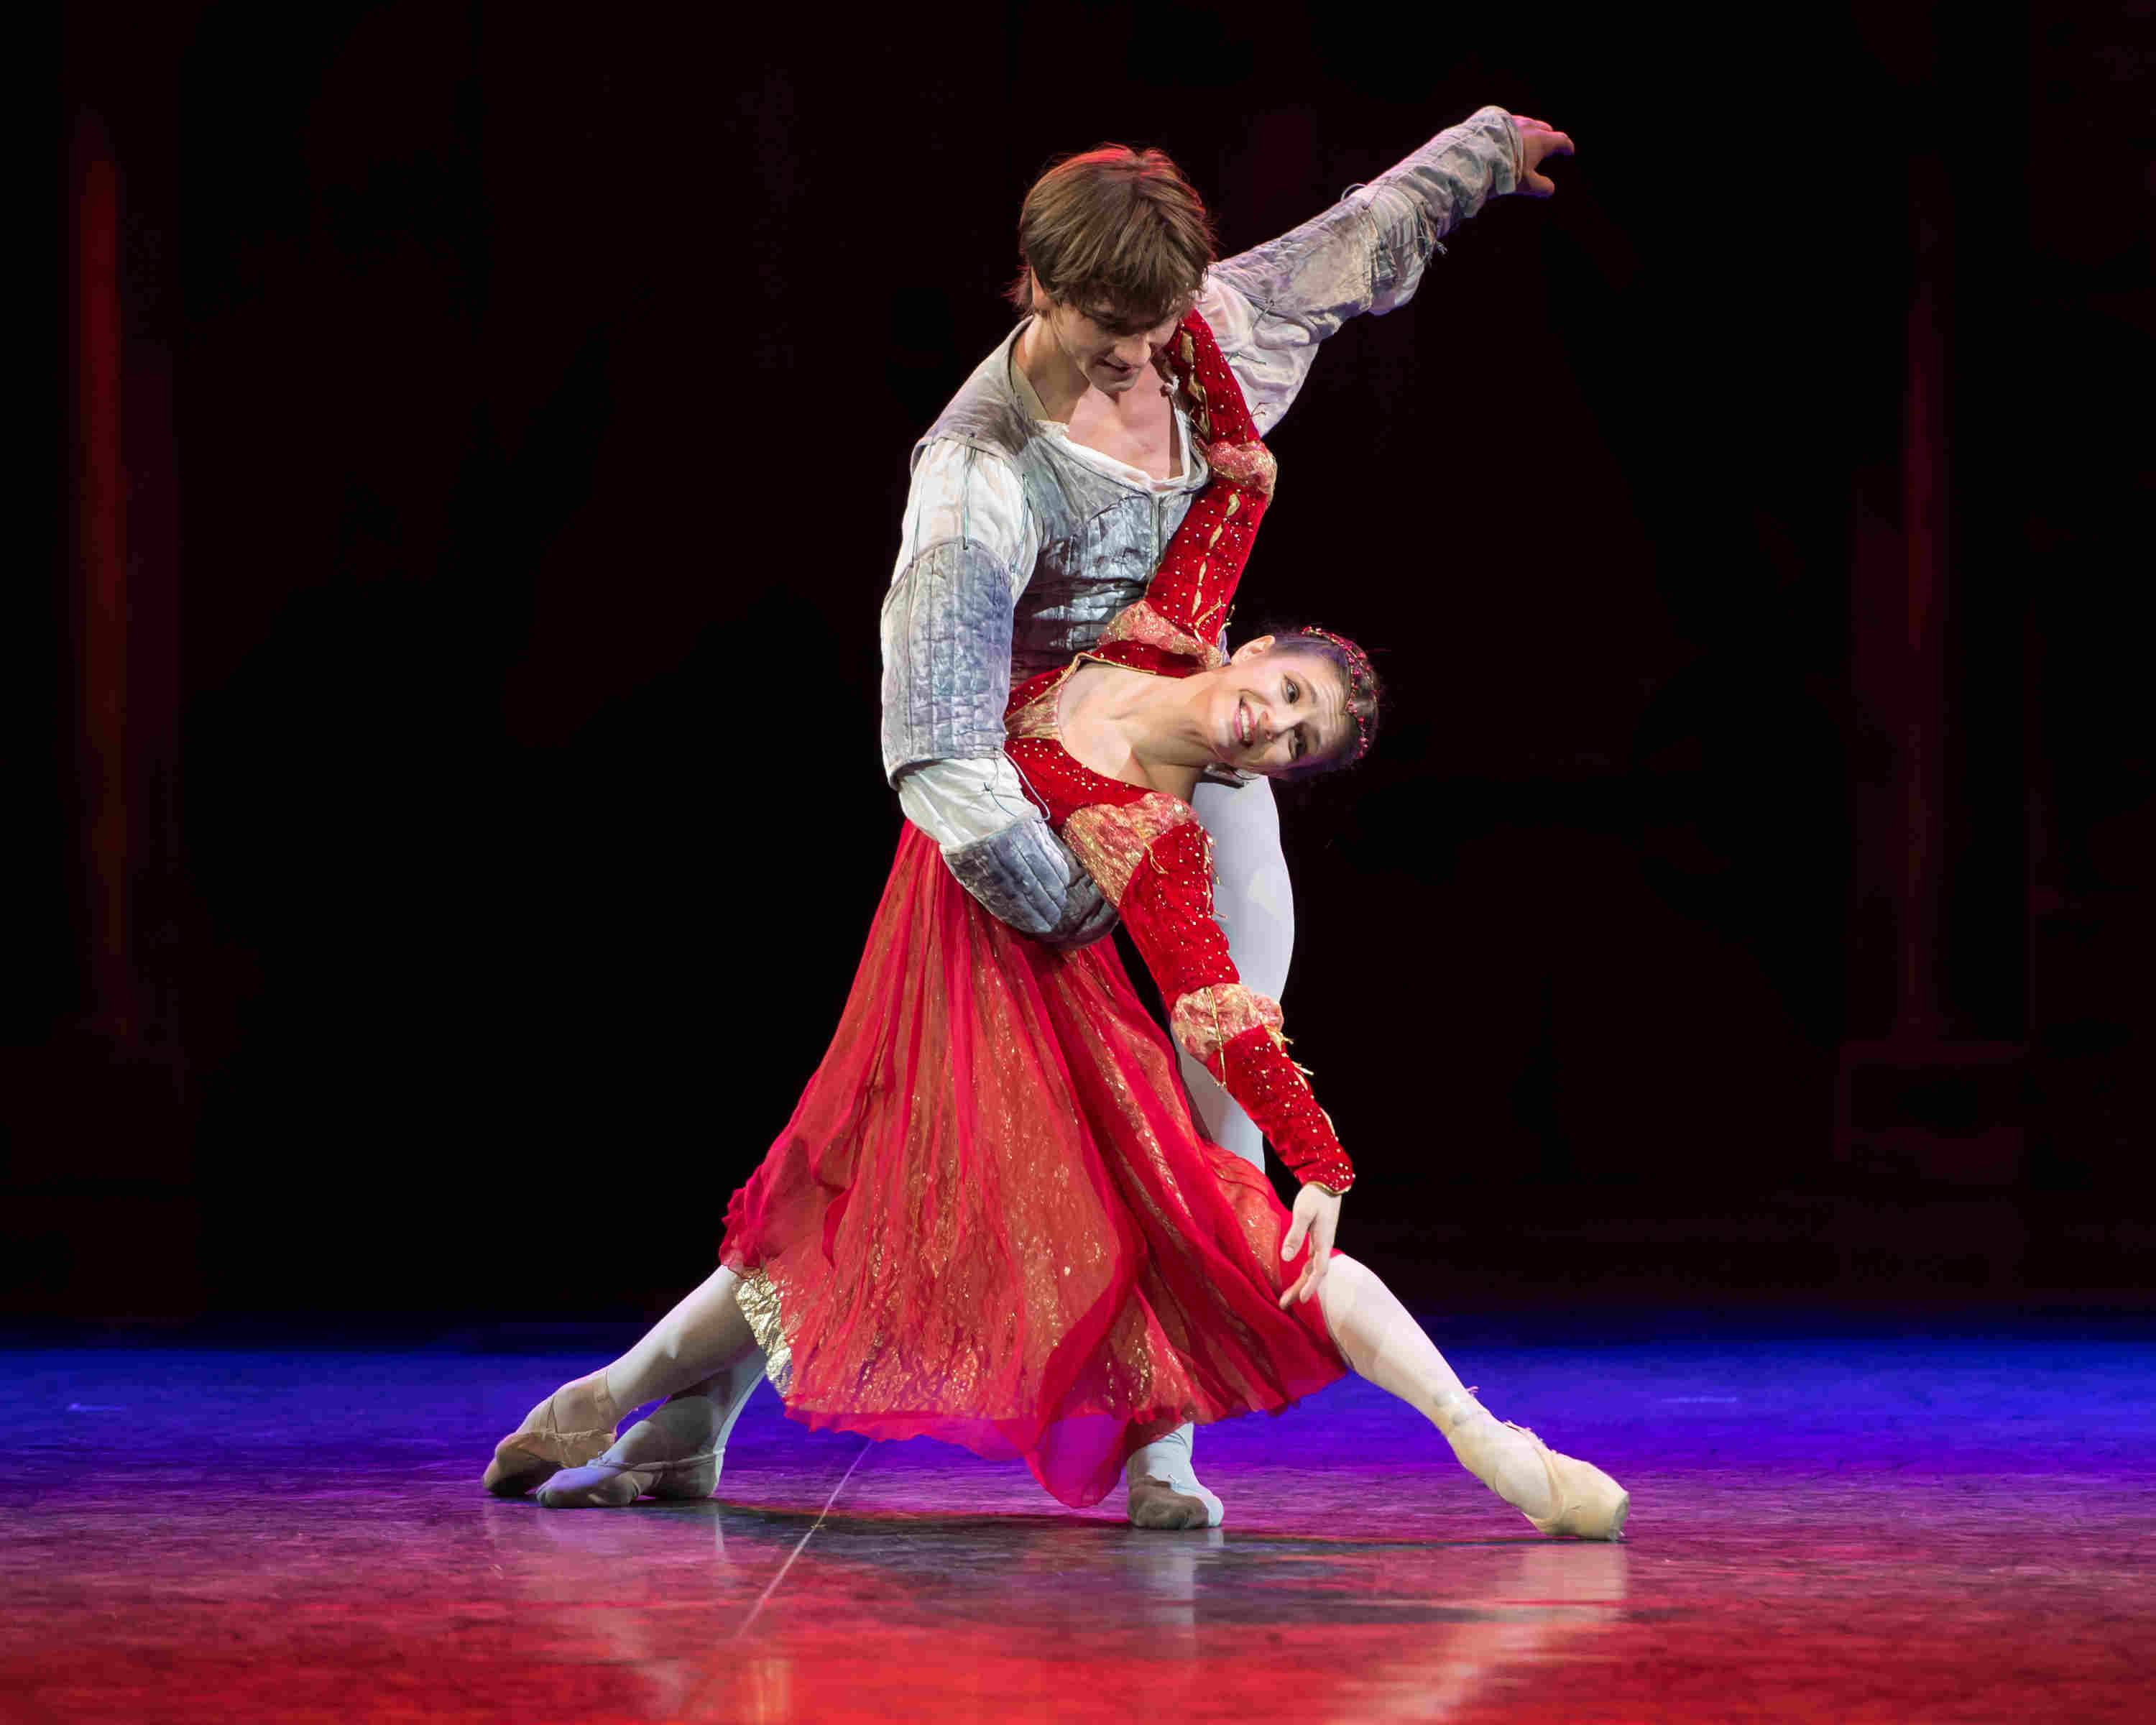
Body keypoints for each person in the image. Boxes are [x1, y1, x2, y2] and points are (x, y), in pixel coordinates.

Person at [481, 303, 1628, 1542]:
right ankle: (649, 1413)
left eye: (1302, 741)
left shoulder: (1162, 836)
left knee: (1083, 1214)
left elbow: (1220, 1010)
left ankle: (1488, 1446)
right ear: (1259, 651)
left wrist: (1325, 1164)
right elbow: (1244, 476)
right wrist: (1151, 308)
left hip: (1014, 988)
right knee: (828, 1191)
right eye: (1288, 693)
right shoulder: (1171, 623)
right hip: (929, 932)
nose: (1276, 724)